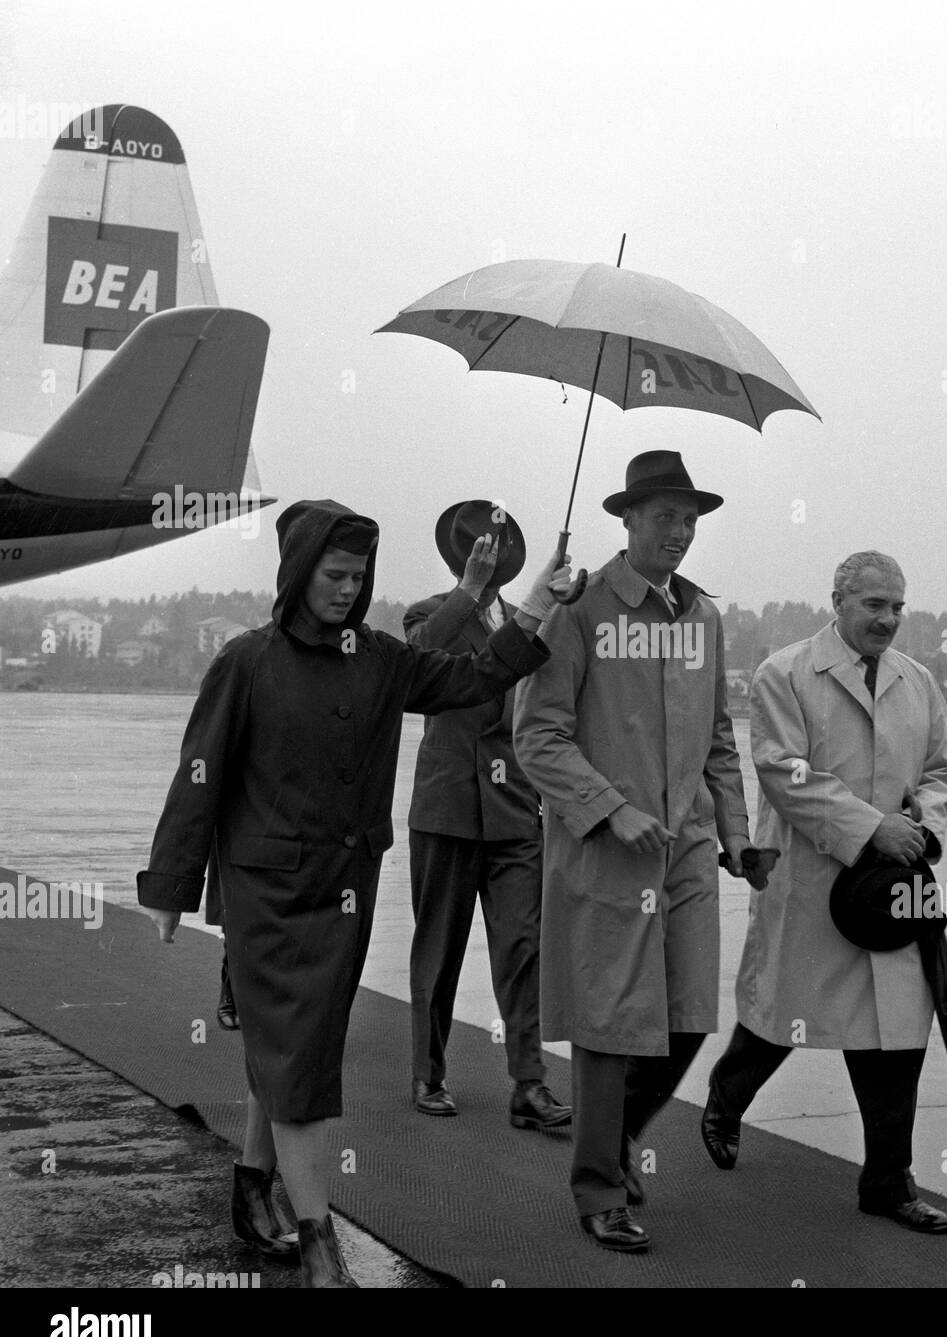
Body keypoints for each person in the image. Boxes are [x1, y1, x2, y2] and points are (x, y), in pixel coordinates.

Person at [137, 498, 570, 1287]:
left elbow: (477, 675)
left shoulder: (379, 658)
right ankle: (319, 1248)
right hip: (266, 896)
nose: (348, 587)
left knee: (296, 1051)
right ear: (298, 574)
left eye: (358, 574)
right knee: (300, 1066)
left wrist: (537, 600)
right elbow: (199, 773)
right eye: (334, 574)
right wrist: (171, 885)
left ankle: (250, 1186)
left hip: (346, 889)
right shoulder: (245, 661)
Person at [513, 450, 751, 1253]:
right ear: (627, 519)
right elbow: (536, 736)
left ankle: (614, 1139)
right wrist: (608, 810)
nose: (679, 531)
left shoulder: (703, 618)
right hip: (607, 850)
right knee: (610, 1026)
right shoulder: (577, 610)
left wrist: (739, 832)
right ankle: (598, 1190)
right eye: (664, 516)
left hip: (686, 848)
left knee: (689, 1017)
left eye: (689, 518)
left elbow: (719, 736)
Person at [701, 551, 947, 1233]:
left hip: (891, 890)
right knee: (783, 1017)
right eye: (874, 604)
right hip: (814, 882)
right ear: (838, 601)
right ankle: (726, 1098)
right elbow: (784, 774)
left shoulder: (918, 682)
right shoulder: (783, 673)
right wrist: (871, 826)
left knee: (897, 1034)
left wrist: (922, 826)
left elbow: (944, 770)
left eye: (898, 607)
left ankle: (887, 1182)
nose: (888, 619)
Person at [404, 501, 570, 1130]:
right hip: (446, 809)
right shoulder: (429, 613)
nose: (489, 556)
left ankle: (530, 1085)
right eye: (479, 551)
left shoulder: (534, 622)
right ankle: (427, 1074)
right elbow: (421, 660)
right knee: (438, 949)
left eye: (497, 551)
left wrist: (551, 597)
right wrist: (469, 592)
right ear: (462, 558)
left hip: (513, 812)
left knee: (523, 947)